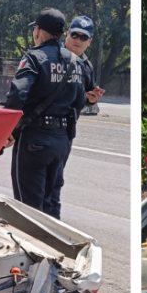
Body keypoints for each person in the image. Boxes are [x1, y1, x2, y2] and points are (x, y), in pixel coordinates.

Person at [3, 7, 86, 219]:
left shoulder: (34, 57)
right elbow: (78, 102)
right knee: (51, 203)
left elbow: (17, 95)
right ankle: (54, 248)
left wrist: (6, 131)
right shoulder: (75, 63)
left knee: (28, 209)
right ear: (61, 34)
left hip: (34, 141)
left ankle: (36, 251)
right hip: (62, 142)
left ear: (38, 31)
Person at [45, 15, 106, 217]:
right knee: (35, 189)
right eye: (74, 34)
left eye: (83, 37)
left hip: (65, 132)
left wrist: (92, 98)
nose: (77, 40)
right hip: (40, 130)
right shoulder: (49, 56)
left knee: (55, 184)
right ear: (67, 34)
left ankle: (53, 227)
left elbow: (87, 96)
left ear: (90, 41)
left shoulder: (85, 66)